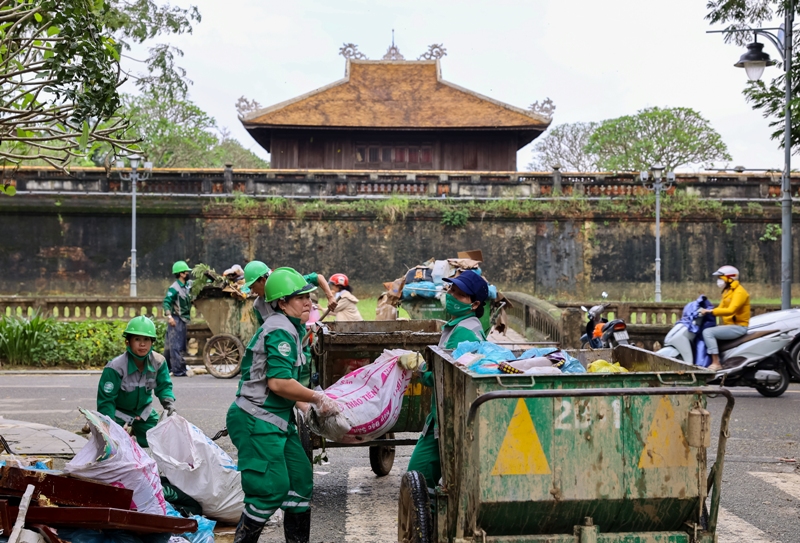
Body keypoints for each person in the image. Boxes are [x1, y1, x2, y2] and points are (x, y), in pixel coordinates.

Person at [227, 267, 340, 543]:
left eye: (307, 296)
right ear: (281, 303)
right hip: (255, 419)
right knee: (270, 488)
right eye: (298, 297)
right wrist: (317, 398)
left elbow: (289, 389)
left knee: (300, 481)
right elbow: (279, 383)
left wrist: (309, 408)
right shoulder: (279, 330)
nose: (307, 302)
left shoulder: (293, 329)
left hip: (277, 419)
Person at [407, 269, 489, 500]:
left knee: (418, 479)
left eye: (460, 293)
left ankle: (427, 527)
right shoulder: (460, 325)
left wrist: (422, 370)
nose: (451, 294)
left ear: (474, 304)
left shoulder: (464, 332)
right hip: (445, 415)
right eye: (451, 289)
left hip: (447, 417)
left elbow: (449, 377)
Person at [244, 261, 337, 388]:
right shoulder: (258, 306)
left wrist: (330, 297)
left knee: (304, 382)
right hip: (280, 351)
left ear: (262, 280)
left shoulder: (289, 283)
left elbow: (317, 277)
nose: (252, 291)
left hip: (301, 347)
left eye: (253, 286)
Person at [96, 316, 176, 448]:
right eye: (137, 339)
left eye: (146, 339)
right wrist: (108, 427)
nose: (142, 344)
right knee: (116, 448)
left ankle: (136, 430)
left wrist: (169, 404)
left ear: (152, 342)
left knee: (154, 443)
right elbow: (106, 401)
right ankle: (125, 431)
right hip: (119, 413)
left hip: (144, 411)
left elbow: (164, 386)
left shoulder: (159, 362)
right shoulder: (115, 367)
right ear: (128, 342)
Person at [699, 265, 751, 372]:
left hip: (739, 327)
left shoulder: (739, 292)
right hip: (730, 326)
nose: (718, 281)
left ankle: (716, 363)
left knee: (708, 332)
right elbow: (721, 308)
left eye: (720, 278)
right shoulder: (727, 292)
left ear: (729, 278)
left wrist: (711, 312)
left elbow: (731, 310)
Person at [163, 260, 193, 377]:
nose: (188, 273)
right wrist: (169, 317)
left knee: (172, 346)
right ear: (181, 273)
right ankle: (178, 370)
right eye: (187, 271)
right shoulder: (174, 288)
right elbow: (166, 303)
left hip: (184, 319)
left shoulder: (188, 285)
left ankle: (168, 368)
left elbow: (199, 284)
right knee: (176, 346)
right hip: (176, 319)